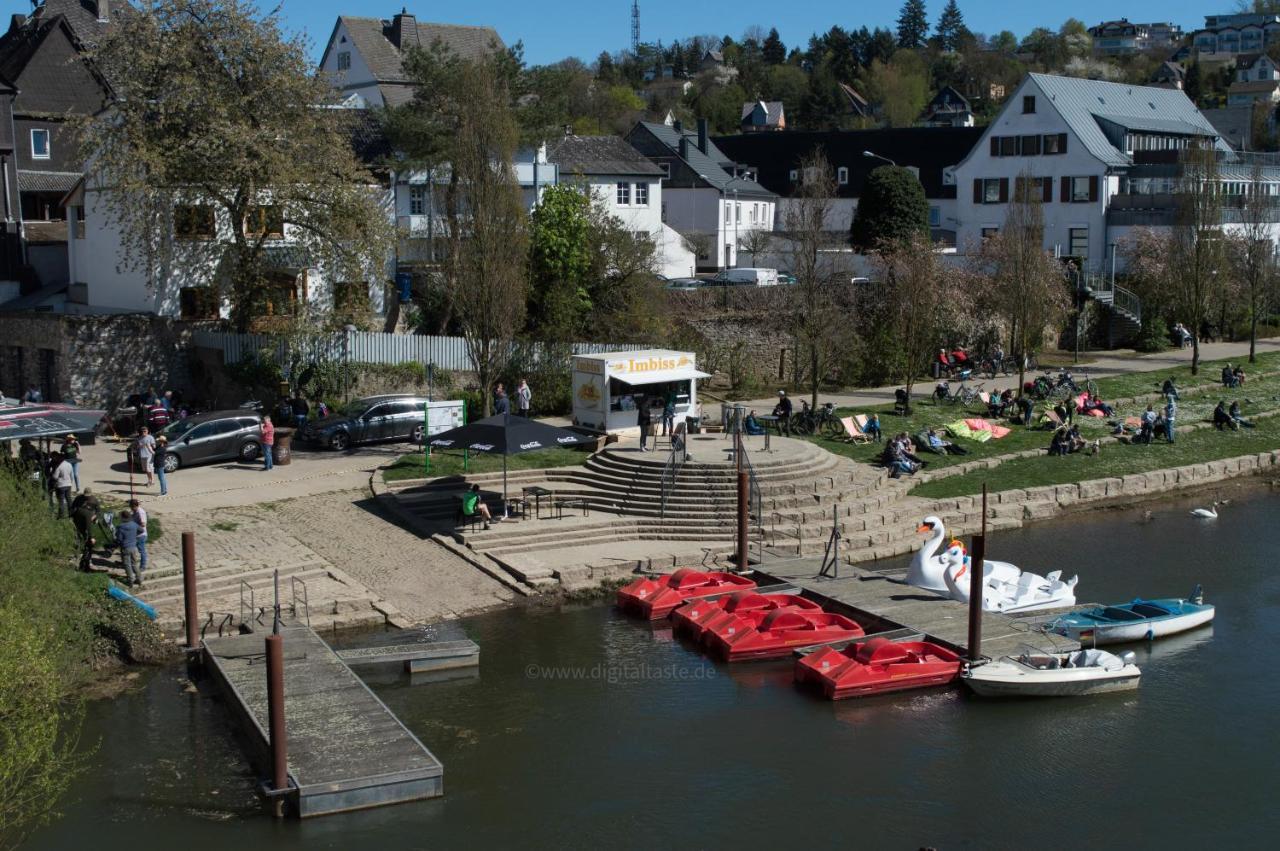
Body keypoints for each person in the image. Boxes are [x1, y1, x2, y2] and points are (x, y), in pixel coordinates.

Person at [70, 491, 100, 572]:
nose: (86, 498)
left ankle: (86, 560)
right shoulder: (78, 499)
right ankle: (78, 555)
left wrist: (95, 516)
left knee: (87, 541)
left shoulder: (94, 501)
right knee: (79, 538)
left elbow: (98, 511)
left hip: (87, 521)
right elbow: (72, 508)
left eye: (88, 496)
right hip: (78, 523)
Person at [114, 509, 144, 588]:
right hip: (133, 547)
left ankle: (131, 580)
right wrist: (134, 535)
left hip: (125, 548)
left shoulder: (121, 527)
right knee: (135, 564)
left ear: (123, 518)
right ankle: (139, 579)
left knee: (127, 564)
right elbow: (142, 530)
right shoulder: (133, 524)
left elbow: (119, 539)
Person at [52, 452, 75, 518]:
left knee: (61, 501)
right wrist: (71, 482)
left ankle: (61, 515)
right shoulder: (69, 464)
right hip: (68, 484)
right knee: (69, 499)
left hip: (61, 485)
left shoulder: (59, 466)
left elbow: (55, 477)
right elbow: (71, 475)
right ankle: (71, 514)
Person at [130, 498, 149, 573]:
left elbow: (143, 523)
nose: (130, 508)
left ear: (134, 506)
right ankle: (130, 563)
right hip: (135, 535)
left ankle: (143, 566)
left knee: (142, 551)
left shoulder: (141, 512)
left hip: (141, 535)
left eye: (131, 507)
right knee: (131, 549)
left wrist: (134, 526)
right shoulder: (135, 511)